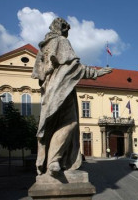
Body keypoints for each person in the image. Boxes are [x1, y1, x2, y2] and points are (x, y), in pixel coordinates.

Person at [32, 17, 112, 175]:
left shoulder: (43, 47)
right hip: (62, 90)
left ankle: (53, 161)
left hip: (50, 91)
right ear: (62, 28)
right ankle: (54, 160)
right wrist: (96, 72)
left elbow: (40, 75)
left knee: (53, 125)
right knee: (70, 123)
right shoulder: (61, 41)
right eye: (67, 30)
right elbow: (73, 66)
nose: (67, 33)